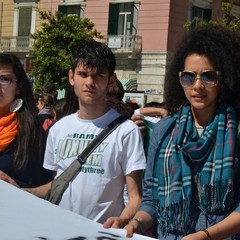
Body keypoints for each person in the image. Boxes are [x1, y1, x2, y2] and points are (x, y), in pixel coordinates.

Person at [123, 24, 240, 239]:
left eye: (208, 76)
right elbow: (150, 200)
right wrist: (135, 224)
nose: (197, 85)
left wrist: (205, 235)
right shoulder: (163, 130)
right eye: (188, 76)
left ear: (223, 79)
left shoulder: (236, 132)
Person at [25, 40, 146, 227]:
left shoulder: (126, 131)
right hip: (59, 230)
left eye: (98, 76)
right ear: (72, 77)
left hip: (102, 234)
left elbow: (135, 196)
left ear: (111, 80)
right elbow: (57, 185)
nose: (89, 82)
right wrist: (18, 192)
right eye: (83, 74)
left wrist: (122, 220)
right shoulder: (58, 129)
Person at [0, 53, 52, 188]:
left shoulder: (32, 131)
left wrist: (13, 185)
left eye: (4, 79)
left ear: (18, 87)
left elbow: (44, 185)